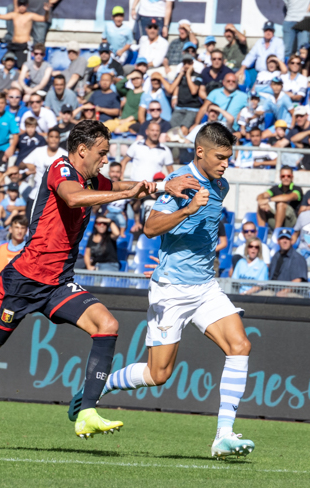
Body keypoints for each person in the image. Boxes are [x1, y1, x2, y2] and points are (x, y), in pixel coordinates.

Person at [0, 120, 197, 439]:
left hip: (58, 283)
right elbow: (74, 198)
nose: (106, 160)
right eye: (102, 153)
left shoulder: (89, 175)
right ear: (82, 151)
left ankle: (87, 411)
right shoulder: (59, 169)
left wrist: (155, 187)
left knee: (107, 325)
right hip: (23, 282)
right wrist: (128, 192)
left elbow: (113, 185)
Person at [92, 122, 255, 457]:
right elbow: (150, 228)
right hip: (172, 289)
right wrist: (188, 209)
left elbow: (209, 226)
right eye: (220, 157)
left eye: (229, 157)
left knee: (240, 345)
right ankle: (100, 385)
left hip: (206, 287)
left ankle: (223, 435)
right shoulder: (182, 184)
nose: (226, 164)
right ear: (200, 152)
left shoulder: (219, 185)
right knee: (158, 373)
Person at [0, 0, 52, 68]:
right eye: (20, 5)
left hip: (24, 45)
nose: (22, 7)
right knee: (4, 62)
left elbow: (45, 19)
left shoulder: (30, 15)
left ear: (27, 5)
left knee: (22, 66)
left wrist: (47, 11)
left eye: (23, 5)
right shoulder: (14, 15)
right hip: (13, 44)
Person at [0, 216, 28, 298]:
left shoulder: (27, 250)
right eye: (16, 227)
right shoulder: (1, 246)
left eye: (22, 228)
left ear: (26, 231)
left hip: (16, 297)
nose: (19, 231)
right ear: (10, 229)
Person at [20, 128, 66, 199]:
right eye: (51, 137)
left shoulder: (65, 155)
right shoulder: (38, 151)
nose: (54, 139)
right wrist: (26, 165)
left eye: (56, 137)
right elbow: (20, 165)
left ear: (59, 139)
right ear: (47, 138)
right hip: (36, 195)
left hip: (55, 197)